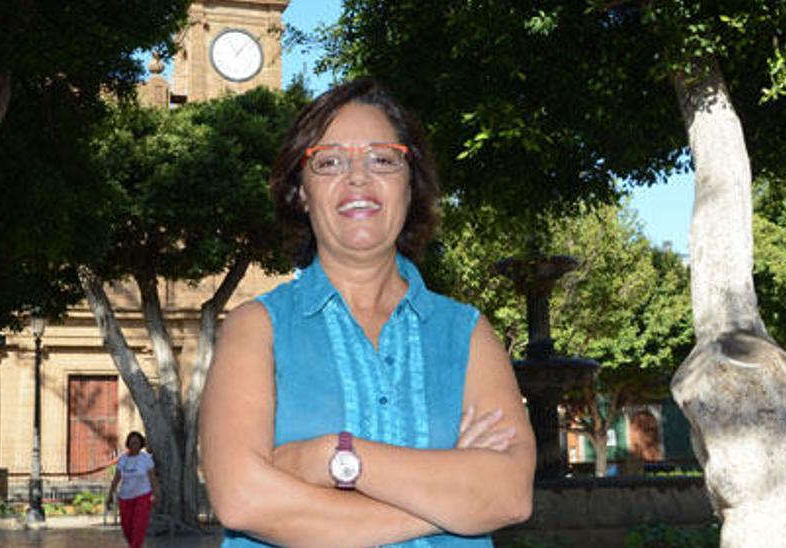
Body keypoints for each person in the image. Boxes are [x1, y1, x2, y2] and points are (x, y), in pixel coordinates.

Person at [199, 79, 535, 547]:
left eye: (382, 159)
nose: (357, 177)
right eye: (330, 161)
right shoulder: (256, 329)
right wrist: (452, 504)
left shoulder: (468, 333)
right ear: (300, 191)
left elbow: (509, 495)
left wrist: (337, 457)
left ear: (410, 185)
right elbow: (243, 500)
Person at [107, 431, 158, 548]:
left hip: (143, 496)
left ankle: (135, 545)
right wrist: (111, 494)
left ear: (141, 444)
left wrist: (155, 494)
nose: (134, 445)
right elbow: (116, 478)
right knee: (127, 527)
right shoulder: (123, 460)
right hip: (125, 497)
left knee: (139, 526)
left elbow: (152, 478)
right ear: (128, 444)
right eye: (132, 442)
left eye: (137, 442)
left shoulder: (146, 459)